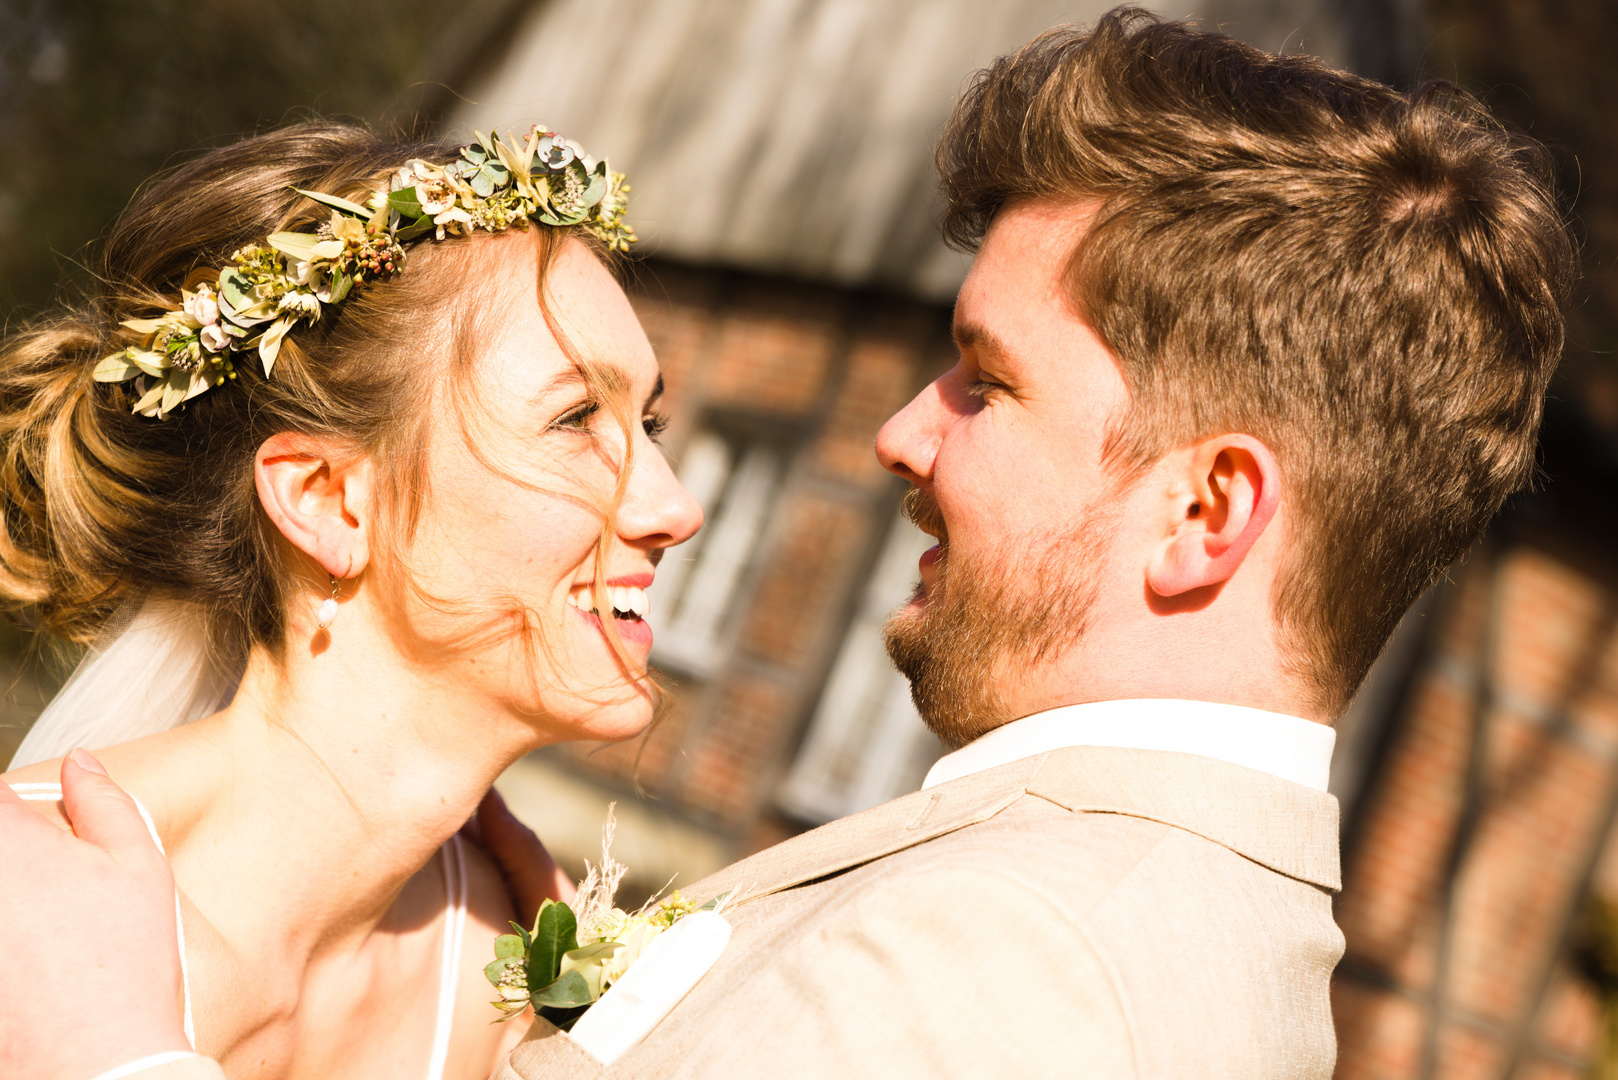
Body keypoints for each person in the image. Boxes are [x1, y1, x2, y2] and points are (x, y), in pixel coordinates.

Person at [0, 7, 1578, 1079]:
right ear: (326, 498)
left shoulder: (1005, 967)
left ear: (1207, 513)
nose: (898, 432)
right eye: (577, 420)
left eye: (985, 379)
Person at [0, 120, 701, 1080]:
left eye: (649, 422)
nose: (675, 506)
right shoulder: (23, 917)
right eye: (578, 417)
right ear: (329, 502)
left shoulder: (526, 996)